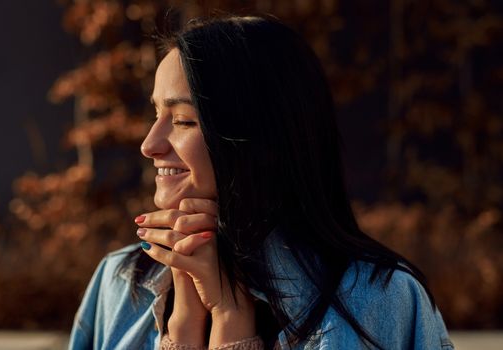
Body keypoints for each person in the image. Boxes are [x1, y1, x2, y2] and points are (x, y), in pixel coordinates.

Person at [68, 16, 454, 350]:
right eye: (155, 113)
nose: (149, 144)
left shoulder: (381, 299)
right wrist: (183, 324)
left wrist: (231, 320)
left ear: (262, 138)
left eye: (184, 120)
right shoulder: (120, 282)